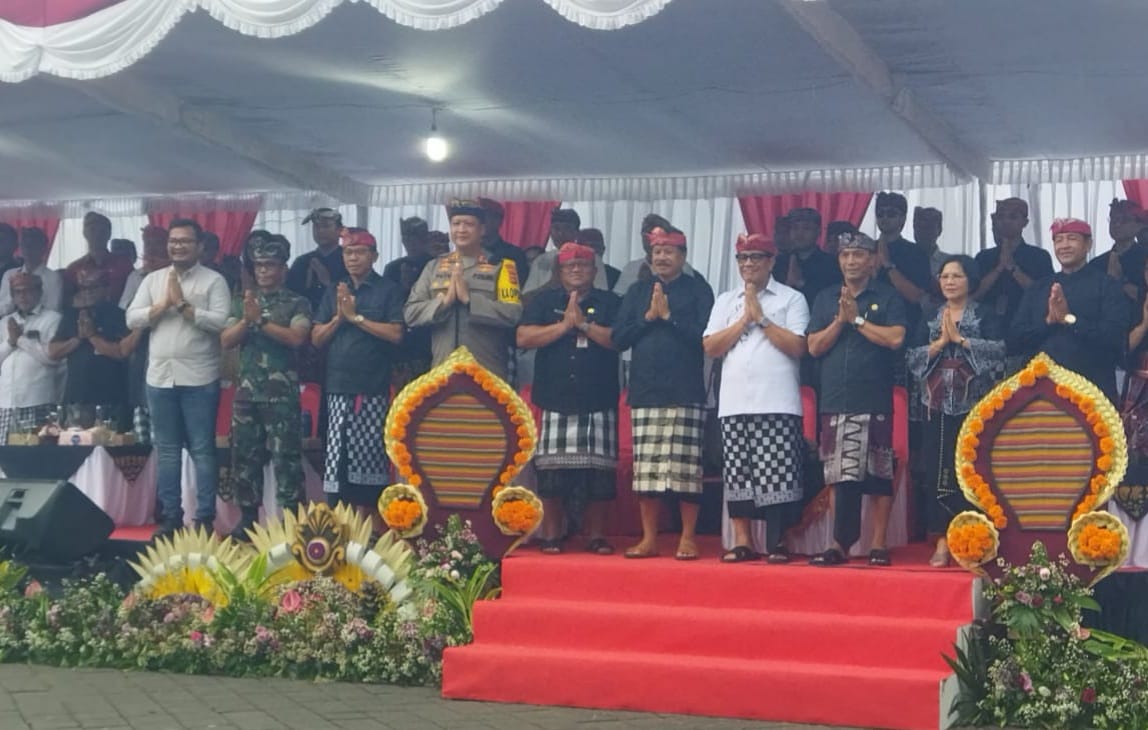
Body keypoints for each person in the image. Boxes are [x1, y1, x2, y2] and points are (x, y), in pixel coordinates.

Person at [703, 233, 809, 563]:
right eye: (743, 258)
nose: (748, 264)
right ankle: (743, 541)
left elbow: (798, 346)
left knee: (778, 474)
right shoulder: (725, 300)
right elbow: (711, 346)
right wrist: (744, 320)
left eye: (756, 258)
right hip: (734, 401)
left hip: (777, 400)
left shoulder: (791, 298)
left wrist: (761, 318)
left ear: (771, 261)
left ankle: (778, 542)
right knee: (738, 474)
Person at [612, 226, 714, 560]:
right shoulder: (637, 291)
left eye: (669, 252)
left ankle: (688, 537)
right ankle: (649, 538)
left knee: (687, 469)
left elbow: (706, 337)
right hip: (645, 390)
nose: (661, 258)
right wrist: (647, 318)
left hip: (685, 390)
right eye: (657, 252)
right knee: (648, 471)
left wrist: (669, 318)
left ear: (682, 256)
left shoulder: (697, 290)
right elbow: (618, 338)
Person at [806, 231, 906, 567]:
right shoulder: (826, 298)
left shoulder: (887, 296)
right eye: (845, 255)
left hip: (874, 396)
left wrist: (858, 320)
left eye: (859, 254)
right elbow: (813, 346)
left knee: (879, 475)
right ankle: (838, 544)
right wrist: (840, 320)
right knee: (838, 474)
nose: (851, 261)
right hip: (836, 396)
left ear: (873, 260)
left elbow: (895, 338)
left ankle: (878, 544)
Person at [126, 219, 230, 537]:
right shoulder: (153, 279)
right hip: (159, 378)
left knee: (202, 449)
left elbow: (222, 323)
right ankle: (171, 518)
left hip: (200, 378)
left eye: (185, 241)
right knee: (167, 450)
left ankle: (204, 519)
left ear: (200, 246)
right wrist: (162, 306)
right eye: (173, 241)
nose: (178, 246)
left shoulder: (214, 281)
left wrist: (184, 307)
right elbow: (131, 318)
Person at [517, 243, 621, 555]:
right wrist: (564, 326)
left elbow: (619, 340)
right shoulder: (544, 301)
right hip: (554, 396)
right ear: (560, 271)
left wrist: (584, 325)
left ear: (594, 271)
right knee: (551, 475)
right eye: (569, 266)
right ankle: (552, 534)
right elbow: (523, 337)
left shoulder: (611, 302)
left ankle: (596, 535)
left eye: (583, 265)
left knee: (599, 475)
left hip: (598, 396)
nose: (576, 270)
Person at [907, 256, 1005, 567]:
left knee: (972, 470)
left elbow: (1001, 353)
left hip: (975, 406)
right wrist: (939, 344)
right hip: (935, 406)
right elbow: (911, 358)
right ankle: (941, 541)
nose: (949, 282)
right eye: (944, 276)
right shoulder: (929, 316)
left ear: (970, 281)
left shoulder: (985, 314)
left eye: (956, 276)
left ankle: (973, 539)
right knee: (938, 471)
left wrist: (961, 341)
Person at [220, 235, 311, 537]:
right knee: (245, 457)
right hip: (247, 394)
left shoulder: (297, 302)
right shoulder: (244, 301)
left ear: (283, 269)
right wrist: (247, 320)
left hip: (282, 396)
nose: (263, 271)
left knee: (286, 459)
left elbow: (297, 338)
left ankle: (292, 521)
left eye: (270, 265)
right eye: (258, 265)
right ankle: (247, 519)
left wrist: (260, 322)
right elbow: (226, 340)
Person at [312, 228, 405, 507]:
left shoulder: (388, 290)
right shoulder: (335, 290)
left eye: (360, 252)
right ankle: (340, 523)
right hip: (337, 388)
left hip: (372, 389)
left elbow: (396, 334)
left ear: (374, 256)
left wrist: (357, 318)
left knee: (369, 461)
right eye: (348, 252)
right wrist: (340, 318)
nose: (353, 258)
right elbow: (316, 339)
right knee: (336, 465)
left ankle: (371, 525)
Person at [1010, 218, 1129, 403]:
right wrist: (1048, 322)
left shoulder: (1106, 286)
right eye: (1058, 240)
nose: (1064, 245)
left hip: (1092, 391)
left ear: (1088, 244)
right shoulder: (1038, 288)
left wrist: (1069, 319)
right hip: (1040, 393)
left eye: (1072, 238)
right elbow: (1014, 339)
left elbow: (1114, 338)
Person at [404, 199, 523, 379]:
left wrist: (470, 301)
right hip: (443, 371)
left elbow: (513, 313)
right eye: (456, 224)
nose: (461, 229)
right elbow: (410, 313)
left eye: (469, 224)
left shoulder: (501, 267)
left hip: (487, 372)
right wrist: (444, 303)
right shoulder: (433, 267)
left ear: (482, 229)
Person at [48, 269, 130, 431]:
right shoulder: (72, 315)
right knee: (74, 443)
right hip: (76, 395)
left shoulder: (118, 315)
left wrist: (92, 336)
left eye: (93, 287)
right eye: (84, 288)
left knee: (109, 443)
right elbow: (53, 351)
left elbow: (121, 352)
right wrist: (78, 338)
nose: (88, 292)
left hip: (110, 396)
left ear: (106, 288)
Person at [118, 226, 171, 444]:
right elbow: (127, 312)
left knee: (165, 442)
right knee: (142, 441)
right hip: (141, 353)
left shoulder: (177, 276)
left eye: (156, 243)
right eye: (147, 242)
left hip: (168, 355)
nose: (151, 248)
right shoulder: (136, 276)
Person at [0, 274, 63, 445]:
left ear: (39, 292)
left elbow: (52, 358)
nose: (23, 296)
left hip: (37, 401)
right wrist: (10, 342)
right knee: (4, 456)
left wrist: (20, 340)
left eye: (28, 291)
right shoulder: (5, 322)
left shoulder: (53, 319)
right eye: (18, 292)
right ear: (12, 296)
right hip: (5, 403)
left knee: (35, 453)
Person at [973, 198, 1054, 327]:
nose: (1006, 221)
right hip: (985, 326)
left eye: (1013, 217)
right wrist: (999, 268)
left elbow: (1044, 295)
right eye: (1001, 217)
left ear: (1025, 222)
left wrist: (1013, 269)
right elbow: (973, 295)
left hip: (1026, 326)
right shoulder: (983, 257)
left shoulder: (1039, 256)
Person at [872, 192, 933, 321]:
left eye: (891, 213)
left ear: (903, 218)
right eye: (880, 213)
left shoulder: (916, 253)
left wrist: (887, 263)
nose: (884, 218)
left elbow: (916, 296)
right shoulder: (866, 249)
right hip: (871, 319)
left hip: (905, 320)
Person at [524, 208, 609, 295]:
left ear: (576, 232)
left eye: (567, 229)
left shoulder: (593, 259)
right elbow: (526, 298)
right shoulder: (541, 260)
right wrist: (552, 283)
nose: (561, 234)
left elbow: (601, 295)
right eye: (556, 228)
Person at [773, 207, 842, 308]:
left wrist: (800, 283)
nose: (799, 234)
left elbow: (831, 300)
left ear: (818, 232)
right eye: (795, 228)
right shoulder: (779, 262)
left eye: (806, 229)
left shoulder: (831, 264)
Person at [64, 212, 134, 306]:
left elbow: (134, 297)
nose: (97, 235)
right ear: (85, 233)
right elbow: (66, 303)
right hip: (83, 314)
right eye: (92, 230)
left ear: (109, 234)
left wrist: (107, 294)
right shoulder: (74, 268)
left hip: (117, 313)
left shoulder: (124, 266)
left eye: (102, 231)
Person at [287, 208, 348, 313]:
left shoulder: (349, 260)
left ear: (340, 230)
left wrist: (327, 282)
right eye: (316, 227)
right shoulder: (302, 262)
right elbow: (290, 295)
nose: (320, 231)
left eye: (326, 226)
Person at [1086, 198, 1148, 302]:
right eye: (1113, 219)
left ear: (1139, 225)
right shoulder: (1096, 263)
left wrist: (1121, 283)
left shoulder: (1145, 257)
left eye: (1125, 220)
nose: (1117, 224)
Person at [0, 227, 62, 316]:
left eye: (33, 245)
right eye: (24, 245)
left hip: (42, 322)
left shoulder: (53, 277)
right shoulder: (9, 274)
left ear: (44, 248)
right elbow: (3, 306)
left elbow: (53, 308)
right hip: (9, 319)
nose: (28, 249)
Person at [478, 198, 531, 282]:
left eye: (484, 217)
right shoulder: (465, 252)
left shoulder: (514, 255)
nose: (480, 222)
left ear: (497, 221)